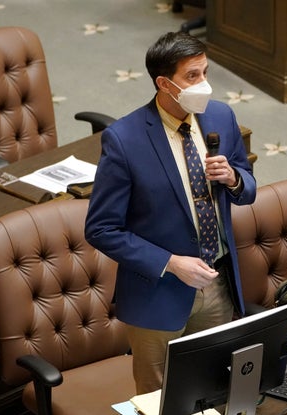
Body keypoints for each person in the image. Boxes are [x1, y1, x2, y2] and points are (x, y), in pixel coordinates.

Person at [85, 32, 256, 395]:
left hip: (216, 281)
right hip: (157, 293)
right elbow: (101, 229)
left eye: (205, 73)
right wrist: (171, 262)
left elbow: (249, 188)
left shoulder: (221, 117)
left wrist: (234, 178)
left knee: (215, 384)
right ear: (164, 83)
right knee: (158, 401)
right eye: (192, 76)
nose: (204, 85)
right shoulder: (124, 140)